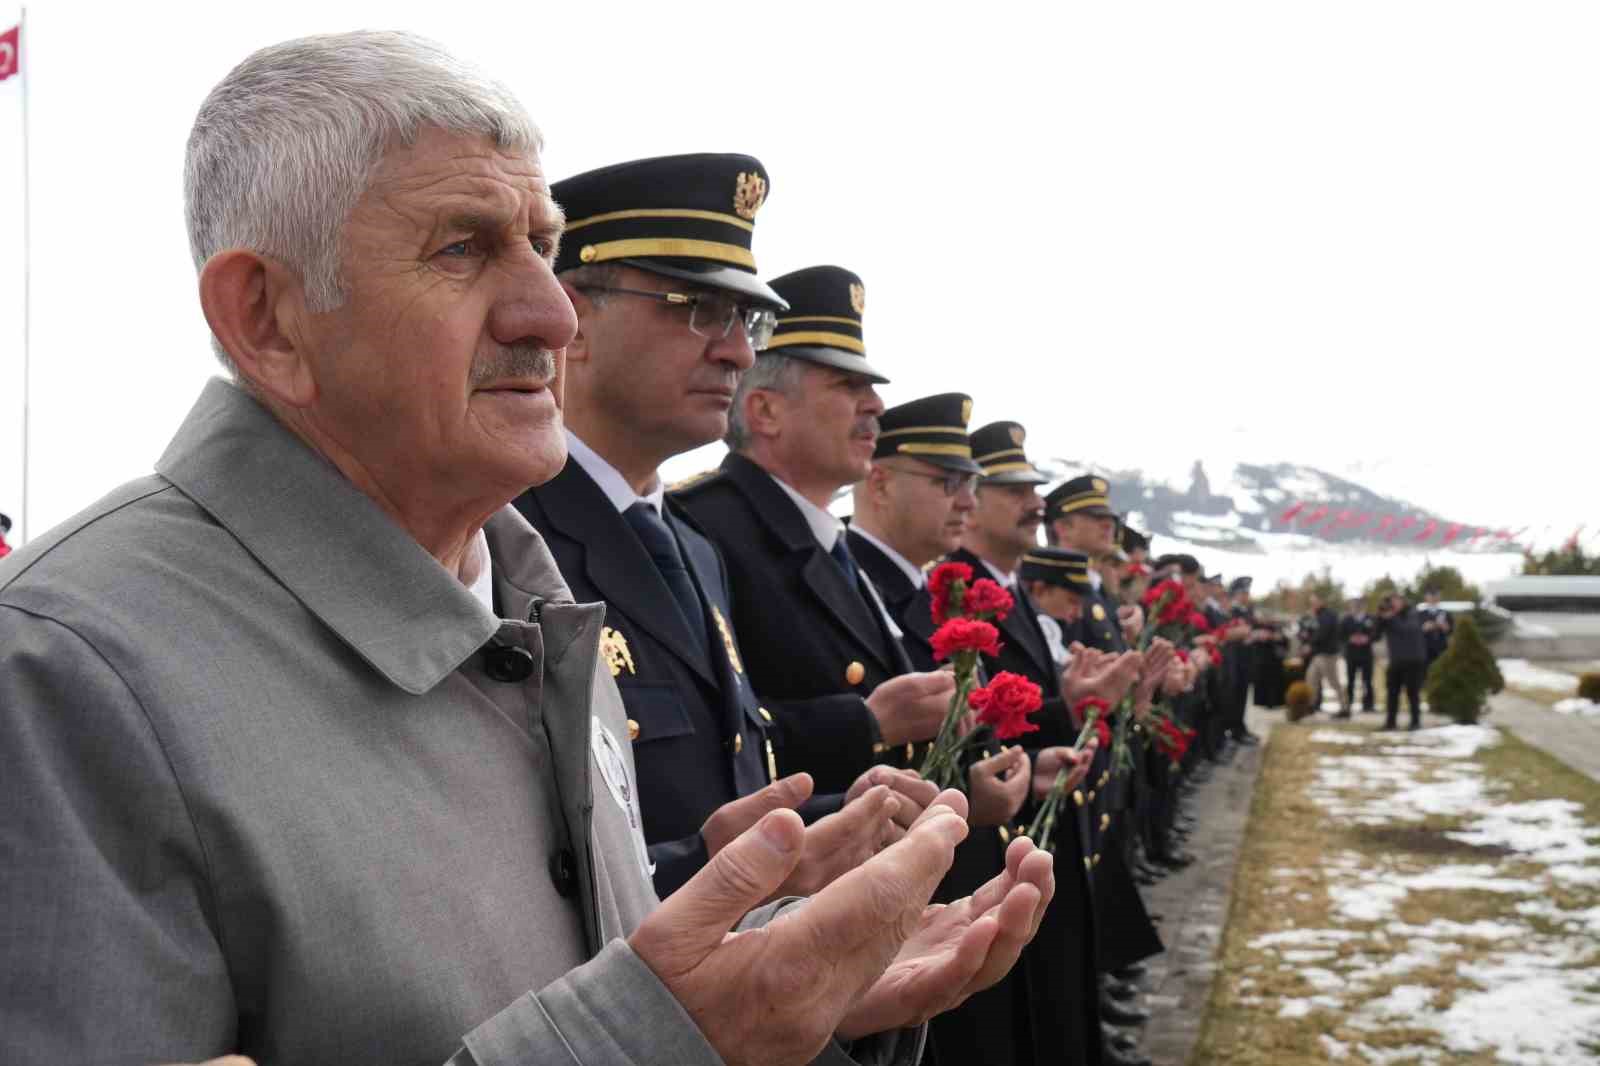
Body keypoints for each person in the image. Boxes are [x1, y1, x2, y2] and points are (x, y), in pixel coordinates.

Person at [0, 33, 1054, 1066]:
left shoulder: (527, 595)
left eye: (541, 247)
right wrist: (663, 1035)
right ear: (267, 317)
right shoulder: (62, 674)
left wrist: (763, 966)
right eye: (461, 247)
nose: (551, 313)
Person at [513, 153, 939, 898]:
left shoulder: (693, 549)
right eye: (699, 308)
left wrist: (839, 818)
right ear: (573, 318)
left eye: (747, 319)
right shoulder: (506, 534)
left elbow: (725, 772)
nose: (740, 350)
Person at [673, 266, 955, 793]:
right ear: (766, 411)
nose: (876, 407)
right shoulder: (703, 527)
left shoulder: (829, 543)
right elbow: (703, 745)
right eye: (848, 385)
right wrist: (866, 725)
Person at [847, 394, 1040, 1065]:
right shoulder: (856, 571)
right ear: (879, 480)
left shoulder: (904, 582)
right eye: (949, 482)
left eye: (972, 484)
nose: (967, 500)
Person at [1376, 593, 1428, 731]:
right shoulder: (1389, 617)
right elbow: (1375, 635)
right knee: (1392, 692)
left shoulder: (1412, 614)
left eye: (1396, 601)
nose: (1393, 605)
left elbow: (1406, 629)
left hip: (1413, 660)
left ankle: (1415, 722)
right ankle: (1390, 722)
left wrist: (1391, 617)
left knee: (1412, 693)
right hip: (1396, 660)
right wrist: (1380, 618)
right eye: (1391, 602)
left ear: (1403, 602)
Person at [1304, 594, 1348, 717]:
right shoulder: (1317, 615)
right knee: (1311, 679)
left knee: (1333, 682)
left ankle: (1345, 708)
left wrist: (1310, 644)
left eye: (1314, 602)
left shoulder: (1328, 615)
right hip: (1318, 654)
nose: (1312, 604)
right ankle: (1310, 705)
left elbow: (1322, 633)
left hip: (1328, 654)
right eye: (1311, 602)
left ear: (1321, 601)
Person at [1340, 598, 1377, 713]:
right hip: (1351, 654)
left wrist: (1368, 639)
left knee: (1367, 680)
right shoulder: (1346, 620)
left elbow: (1376, 633)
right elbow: (1340, 635)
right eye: (1353, 606)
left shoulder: (1370, 619)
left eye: (1358, 605)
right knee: (1350, 679)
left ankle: (1368, 704)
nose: (1356, 608)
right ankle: (1349, 703)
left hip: (1366, 654)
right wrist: (1350, 639)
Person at [1419, 587, 1454, 669]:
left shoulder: (1446, 613)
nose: (1433, 598)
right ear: (1426, 597)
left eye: (1436, 595)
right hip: (1425, 650)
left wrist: (1446, 628)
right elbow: (1414, 632)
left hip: (1441, 649)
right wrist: (1423, 628)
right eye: (1431, 595)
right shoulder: (1420, 614)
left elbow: (1451, 630)